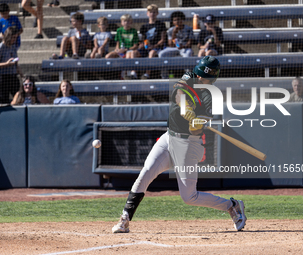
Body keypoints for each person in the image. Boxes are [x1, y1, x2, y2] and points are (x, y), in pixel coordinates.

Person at [112, 56, 247, 234]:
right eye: (198, 75)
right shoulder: (189, 76)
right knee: (145, 174)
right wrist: (187, 109)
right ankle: (125, 219)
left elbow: (197, 130)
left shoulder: (210, 97)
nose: (198, 79)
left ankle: (232, 205)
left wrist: (196, 123)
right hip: (169, 138)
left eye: (203, 78)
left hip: (188, 145)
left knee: (189, 197)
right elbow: (179, 94)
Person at [131, 4, 167, 80]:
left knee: (151, 53)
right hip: (146, 48)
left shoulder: (161, 25)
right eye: (150, 12)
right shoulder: (144, 26)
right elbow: (142, 40)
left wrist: (153, 46)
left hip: (156, 48)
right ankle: (133, 73)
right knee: (133, 53)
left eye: (154, 12)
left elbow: (162, 40)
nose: (152, 14)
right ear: (147, 14)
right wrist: (142, 45)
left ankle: (147, 74)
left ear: (157, 13)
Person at [0, 27, 23, 104]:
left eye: (16, 37)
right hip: (2, 77)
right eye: (13, 37)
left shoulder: (13, 47)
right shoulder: (0, 47)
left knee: (19, 98)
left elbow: (16, 64)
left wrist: (22, 75)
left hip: (12, 76)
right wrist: (7, 64)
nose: (14, 39)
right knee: (3, 101)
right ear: (9, 36)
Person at [105, 14, 139, 79]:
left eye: (128, 21)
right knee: (108, 56)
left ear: (131, 22)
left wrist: (126, 49)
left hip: (129, 50)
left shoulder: (134, 31)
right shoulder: (119, 30)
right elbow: (117, 43)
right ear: (121, 22)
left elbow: (135, 46)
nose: (126, 23)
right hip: (120, 50)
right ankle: (113, 74)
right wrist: (117, 49)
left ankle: (126, 74)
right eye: (124, 21)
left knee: (128, 55)